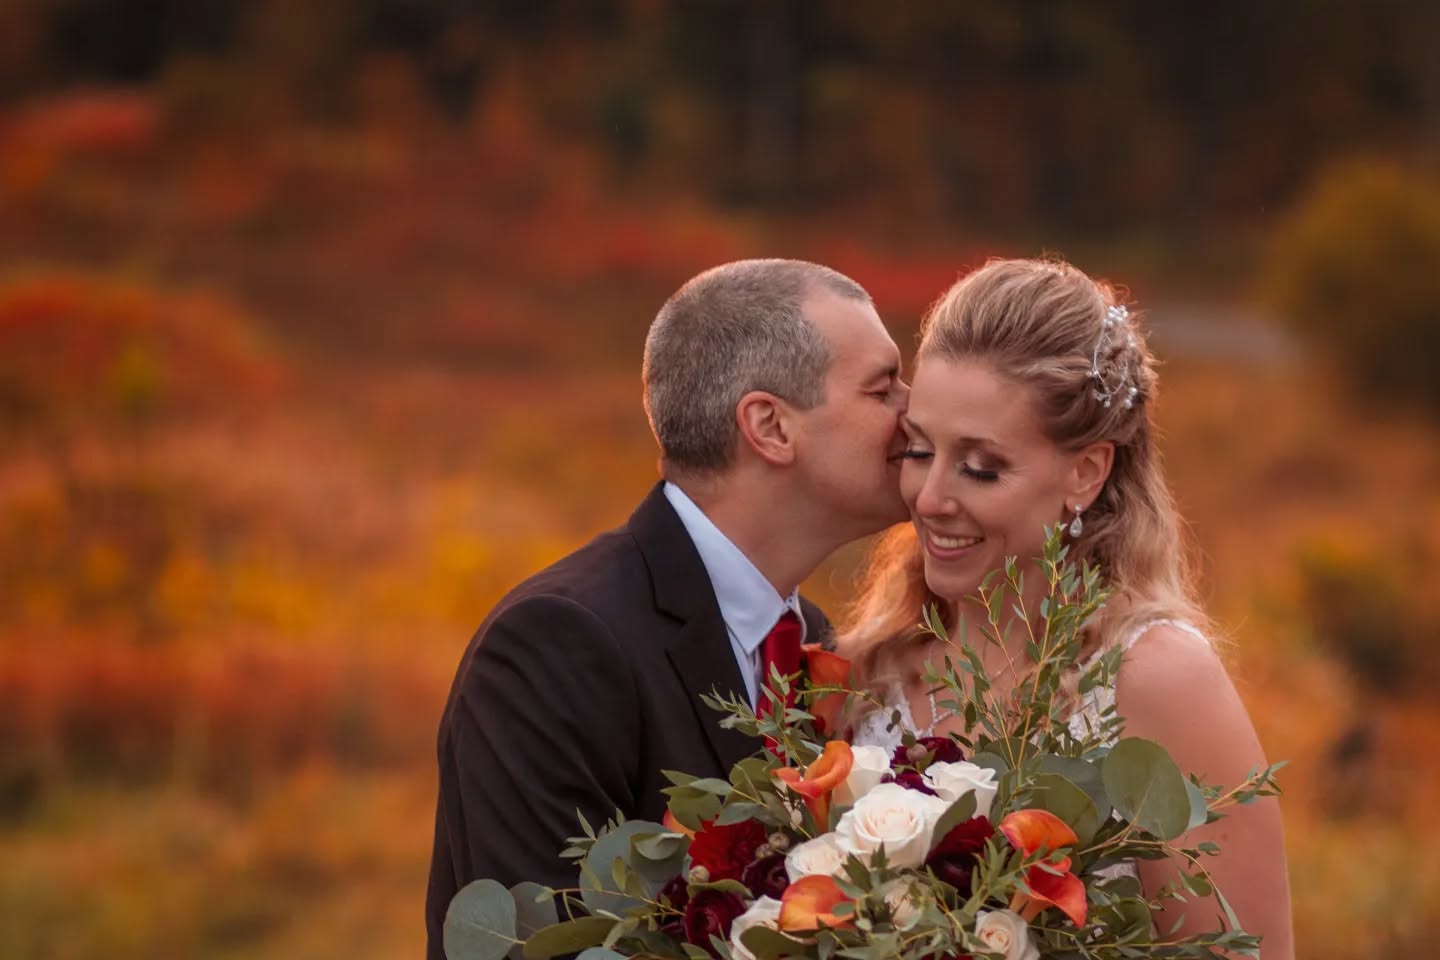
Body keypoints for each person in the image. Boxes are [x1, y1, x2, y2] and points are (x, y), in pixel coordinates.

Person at [426, 259, 911, 959]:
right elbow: (536, 943)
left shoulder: (812, 638)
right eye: (883, 387)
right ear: (770, 426)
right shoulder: (557, 645)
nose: (913, 410)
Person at [840, 257, 1294, 957]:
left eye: (980, 467)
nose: (929, 498)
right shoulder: (872, 666)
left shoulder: (1154, 679)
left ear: (1085, 472)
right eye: (919, 450)